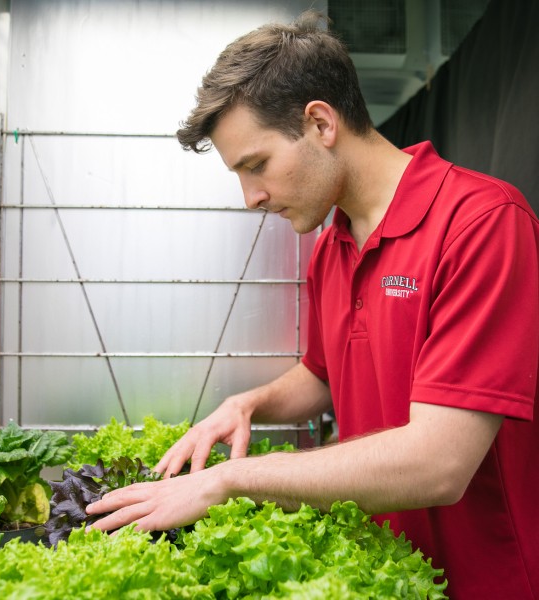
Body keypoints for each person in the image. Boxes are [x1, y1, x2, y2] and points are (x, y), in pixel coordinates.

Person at [86, 10, 539, 598]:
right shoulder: (333, 243)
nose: (250, 198)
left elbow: (439, 463)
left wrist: (229, 480)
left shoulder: (482, 224)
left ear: (321, 122)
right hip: (381, 574)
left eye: (256, 165)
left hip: (481, 581)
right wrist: (250, 403)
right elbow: (325, 373)